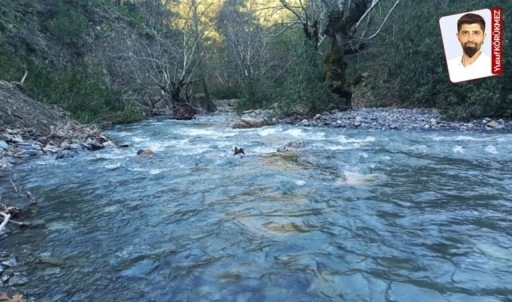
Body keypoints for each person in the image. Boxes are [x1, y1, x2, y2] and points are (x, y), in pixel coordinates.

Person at [446, 13, 493, 83]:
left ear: (484, 36)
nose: (470, 39)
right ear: (458, 36)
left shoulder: (492, 67)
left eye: (476, 33)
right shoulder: (449, 66)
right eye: (465, 33)